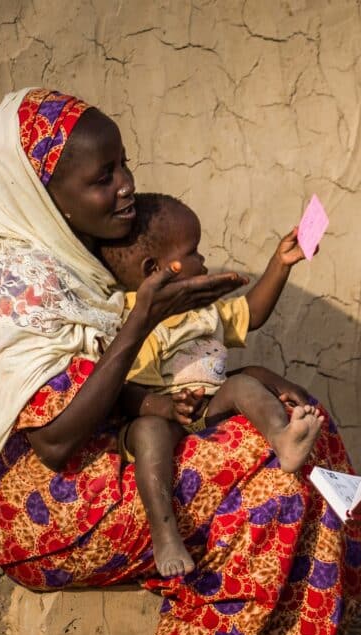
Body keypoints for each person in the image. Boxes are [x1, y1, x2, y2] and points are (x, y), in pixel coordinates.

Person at [0, 87, 361, 635]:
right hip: (53, 513)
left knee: (293, 455)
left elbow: (123, 387)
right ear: (43, 196)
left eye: (123, 164)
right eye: (103, 178)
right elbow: (54, 443)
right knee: (274, 471)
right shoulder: (22, 290)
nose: (125, 184)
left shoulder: (80, 265)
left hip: (107, 469)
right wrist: (143, 321)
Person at [98, 192, 324, 578]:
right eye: (194, 252)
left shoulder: (202, 310)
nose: (203, 261)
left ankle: (284, 438)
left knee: (245, 386)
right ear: (158, 269)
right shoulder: (133, 318)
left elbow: (251, 312)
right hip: (158, 413)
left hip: (208, 403)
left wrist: (280, 264)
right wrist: (167, 409)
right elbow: (123, 391)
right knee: (148, 434)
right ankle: (165, 531)